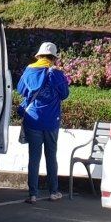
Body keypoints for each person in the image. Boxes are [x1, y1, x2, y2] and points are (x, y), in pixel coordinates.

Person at [15, 41, 70, 203]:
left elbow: (21, 90)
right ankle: (53, 192)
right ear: (53, 57)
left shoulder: (29, 71)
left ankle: (32, 194)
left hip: (33, 120)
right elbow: (65, 94)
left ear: (38, 56)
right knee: (51, 157)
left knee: (34, 158)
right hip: (52, 121)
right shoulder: (56, 73)